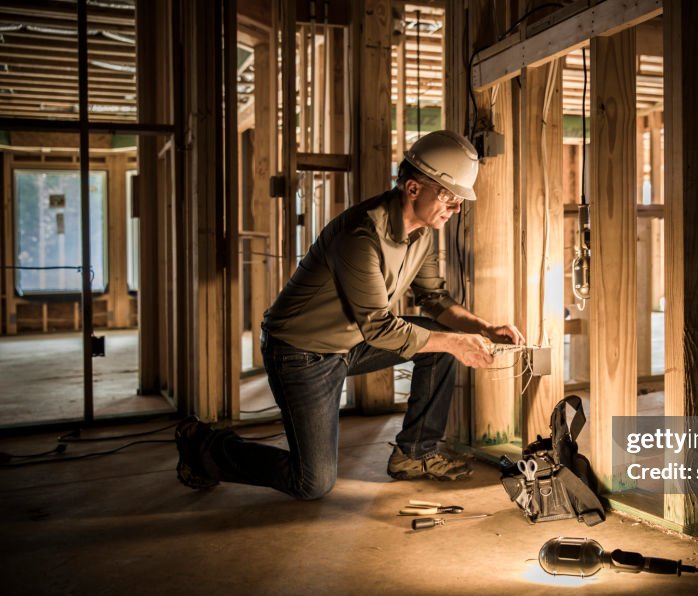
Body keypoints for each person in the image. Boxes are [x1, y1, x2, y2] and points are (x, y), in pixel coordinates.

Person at [175, 130, 524, 499]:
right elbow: (378, 327)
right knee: (311, 482)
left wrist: (484, 329)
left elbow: (435, 300)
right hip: (300, 353)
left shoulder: (422, 235)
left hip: (350, 342)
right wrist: (455, 342)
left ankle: (414, 454)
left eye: (458, 201)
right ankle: (205, 447)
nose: (455, 209)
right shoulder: (361, 236)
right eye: (448, 197)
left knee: (440, 339)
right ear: (413, 188)